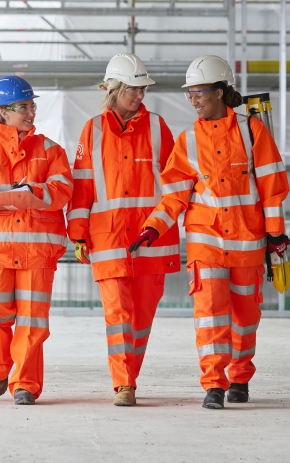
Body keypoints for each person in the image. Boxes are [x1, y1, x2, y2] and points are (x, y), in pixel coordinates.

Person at [130, 55, 290, 409]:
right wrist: (153, 228)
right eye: (189, 94)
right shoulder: (188, 140)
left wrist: (276, 234)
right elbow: (173, 196)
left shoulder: (252, 131)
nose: (192, 99)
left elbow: (273, 186)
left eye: (198, 92)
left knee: (246, 318)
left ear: (220, 91)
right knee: (210, 314)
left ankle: (240, 377)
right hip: (206, 244)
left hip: (248, 243)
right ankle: (214, 385)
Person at [66, 53, 180, 407]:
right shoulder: (93, 130)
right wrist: (78, 232)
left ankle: (132, 374)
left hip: (152, 240)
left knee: (141, 319)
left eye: (143, 89)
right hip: (109, 239)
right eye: (133, 89)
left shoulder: (159, 127)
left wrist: (158, 225)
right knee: (117, 315)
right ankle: (124, 384)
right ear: (113, 89)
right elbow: (82, 185)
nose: (139, 96)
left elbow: (176, 185)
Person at [0, 76, 73, 405]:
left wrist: (32, 193)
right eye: (23, 107)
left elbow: (63, 190)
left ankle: (25, 385)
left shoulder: (51, 150)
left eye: (32, 105)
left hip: (37, 250)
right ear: (2, 111)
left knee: (33, 320)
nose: (31, 112)